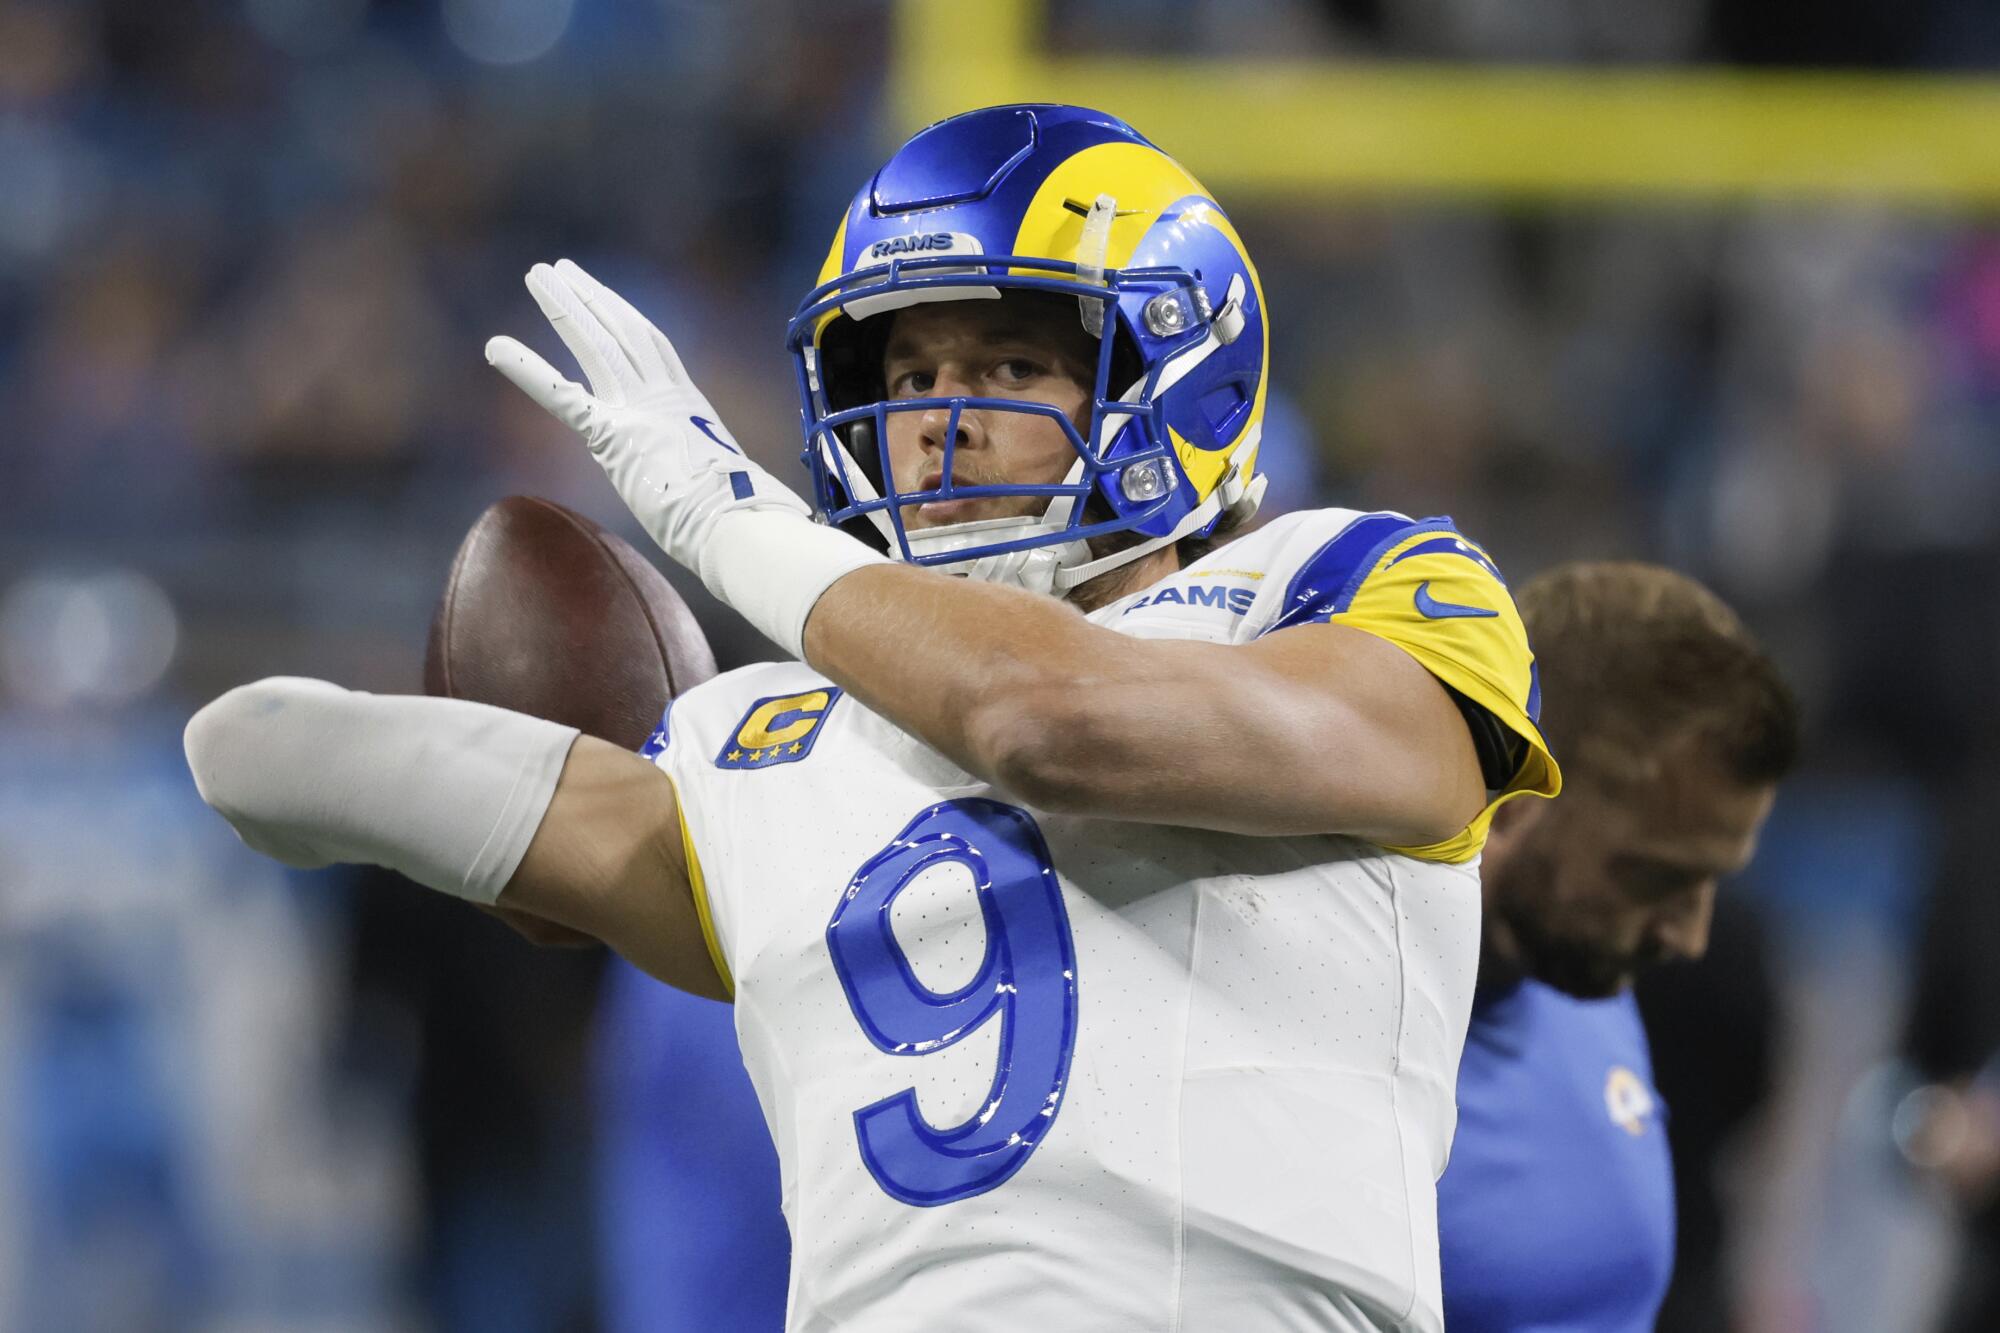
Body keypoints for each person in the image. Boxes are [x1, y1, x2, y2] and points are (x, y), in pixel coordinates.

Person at [183, 105, 1558, 1332]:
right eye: (906, 379)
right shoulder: (777, 738)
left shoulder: (1355, 588)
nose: (938, 427)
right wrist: (280, 746)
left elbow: (1038, 718)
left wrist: (736, 528)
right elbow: (270, 751)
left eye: (1011, 371)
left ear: (1179, 376)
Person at [1435, 561, 1799, 1332]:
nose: (1688, 937)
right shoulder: (1330, 1027)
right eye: (1656, 876)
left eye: (1711, 881)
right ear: (1515, 790)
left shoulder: (1583, 962)